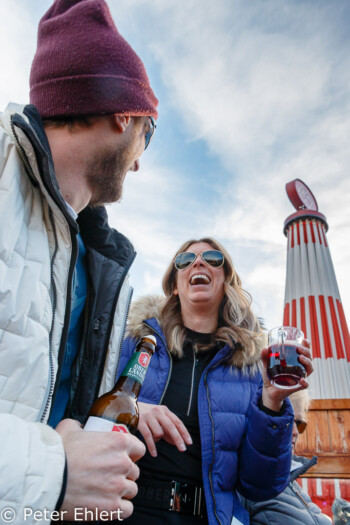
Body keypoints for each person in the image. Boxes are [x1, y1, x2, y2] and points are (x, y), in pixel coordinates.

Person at [0, 0, 158, 522]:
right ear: (123, 115)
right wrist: (55, 475)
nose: (139, 163)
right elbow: (56, 467)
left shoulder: (99, 262)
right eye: (148, 135)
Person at [114, 237, 313, 525]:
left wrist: (272, 403)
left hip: (203, 517)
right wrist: (130, 410)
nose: (198, 262)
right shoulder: (135, 343)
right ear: (174, 285)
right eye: (185, 260)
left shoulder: (252, 368)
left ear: (226, 280)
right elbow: (90, 412)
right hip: (123, 509)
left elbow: (259, 486)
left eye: (212, 258)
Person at [240, 389, 332, 524]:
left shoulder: (290, 477)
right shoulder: (249, 483)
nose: (295, 432)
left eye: (300, 424)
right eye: (287, 422)